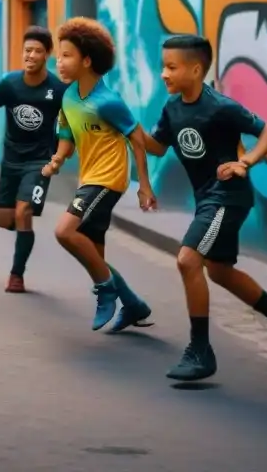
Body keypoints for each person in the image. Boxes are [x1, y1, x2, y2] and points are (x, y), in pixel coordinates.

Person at [141, 34, 267, 381]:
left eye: (171, 67)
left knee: (188, 260)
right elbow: (157, 147)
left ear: (196, 69)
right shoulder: (172, 108)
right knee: (218, 271)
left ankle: (200, 351)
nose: (164, 74)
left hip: (227, 196)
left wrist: (244, 162)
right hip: (208, 198)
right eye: (163, 67)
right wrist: (126, 128)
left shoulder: (220, 106)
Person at [41, 17, 156, 332]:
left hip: (108, 181)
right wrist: (58, 159)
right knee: (93, 254)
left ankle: (105, 290)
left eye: (66, 56)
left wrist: (144, 186)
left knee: (65, 231)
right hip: (88, 179)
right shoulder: (69, 97)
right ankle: (133, 304)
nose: (59, 63)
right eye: (58, 56)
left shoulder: (107, 102)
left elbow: (136, 137)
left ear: (87, 60)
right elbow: (67, 133)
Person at [0, 26, 66, 293]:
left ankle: (16, 275)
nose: (31, 55)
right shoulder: (10, 84)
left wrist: (59, 156)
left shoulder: (57, 89)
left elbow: (69, 125)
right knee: (4, 219)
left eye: (37, 51)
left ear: (47, 55)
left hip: (39, 161)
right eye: (27, 50)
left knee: (23, 211)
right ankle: (23, 231)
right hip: (11, 159)